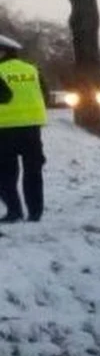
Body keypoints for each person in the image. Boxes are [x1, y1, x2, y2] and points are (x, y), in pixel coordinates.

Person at [0, 34, 47, 223]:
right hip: (32, 128)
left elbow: (3, 97)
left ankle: (14, 211)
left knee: (5, 173)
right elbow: (45, 94)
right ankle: (35, 212)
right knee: (33, 171)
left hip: (5, 129)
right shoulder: (32, 70)